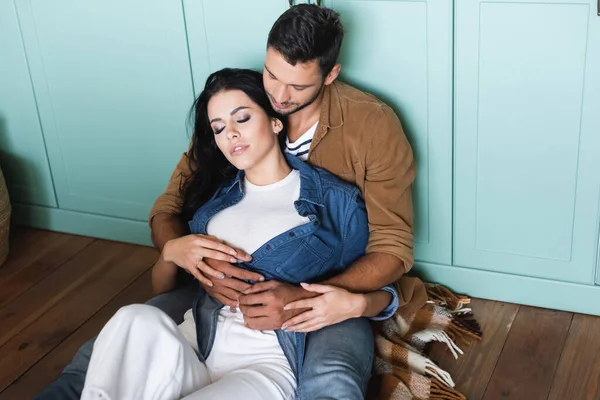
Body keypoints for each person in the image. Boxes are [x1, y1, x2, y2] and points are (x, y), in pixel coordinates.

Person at [36, 4, 415, 400]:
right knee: (108, 346)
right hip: (215, 301)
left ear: (330, 75)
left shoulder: (369, 127)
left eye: (298, 87)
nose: (280, 96)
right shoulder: (239, 113)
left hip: (310, 301)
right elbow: (167, 210)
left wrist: (306, 295)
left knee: (330, 378)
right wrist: (185, 254)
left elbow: (391, 246)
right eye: (272, 75)